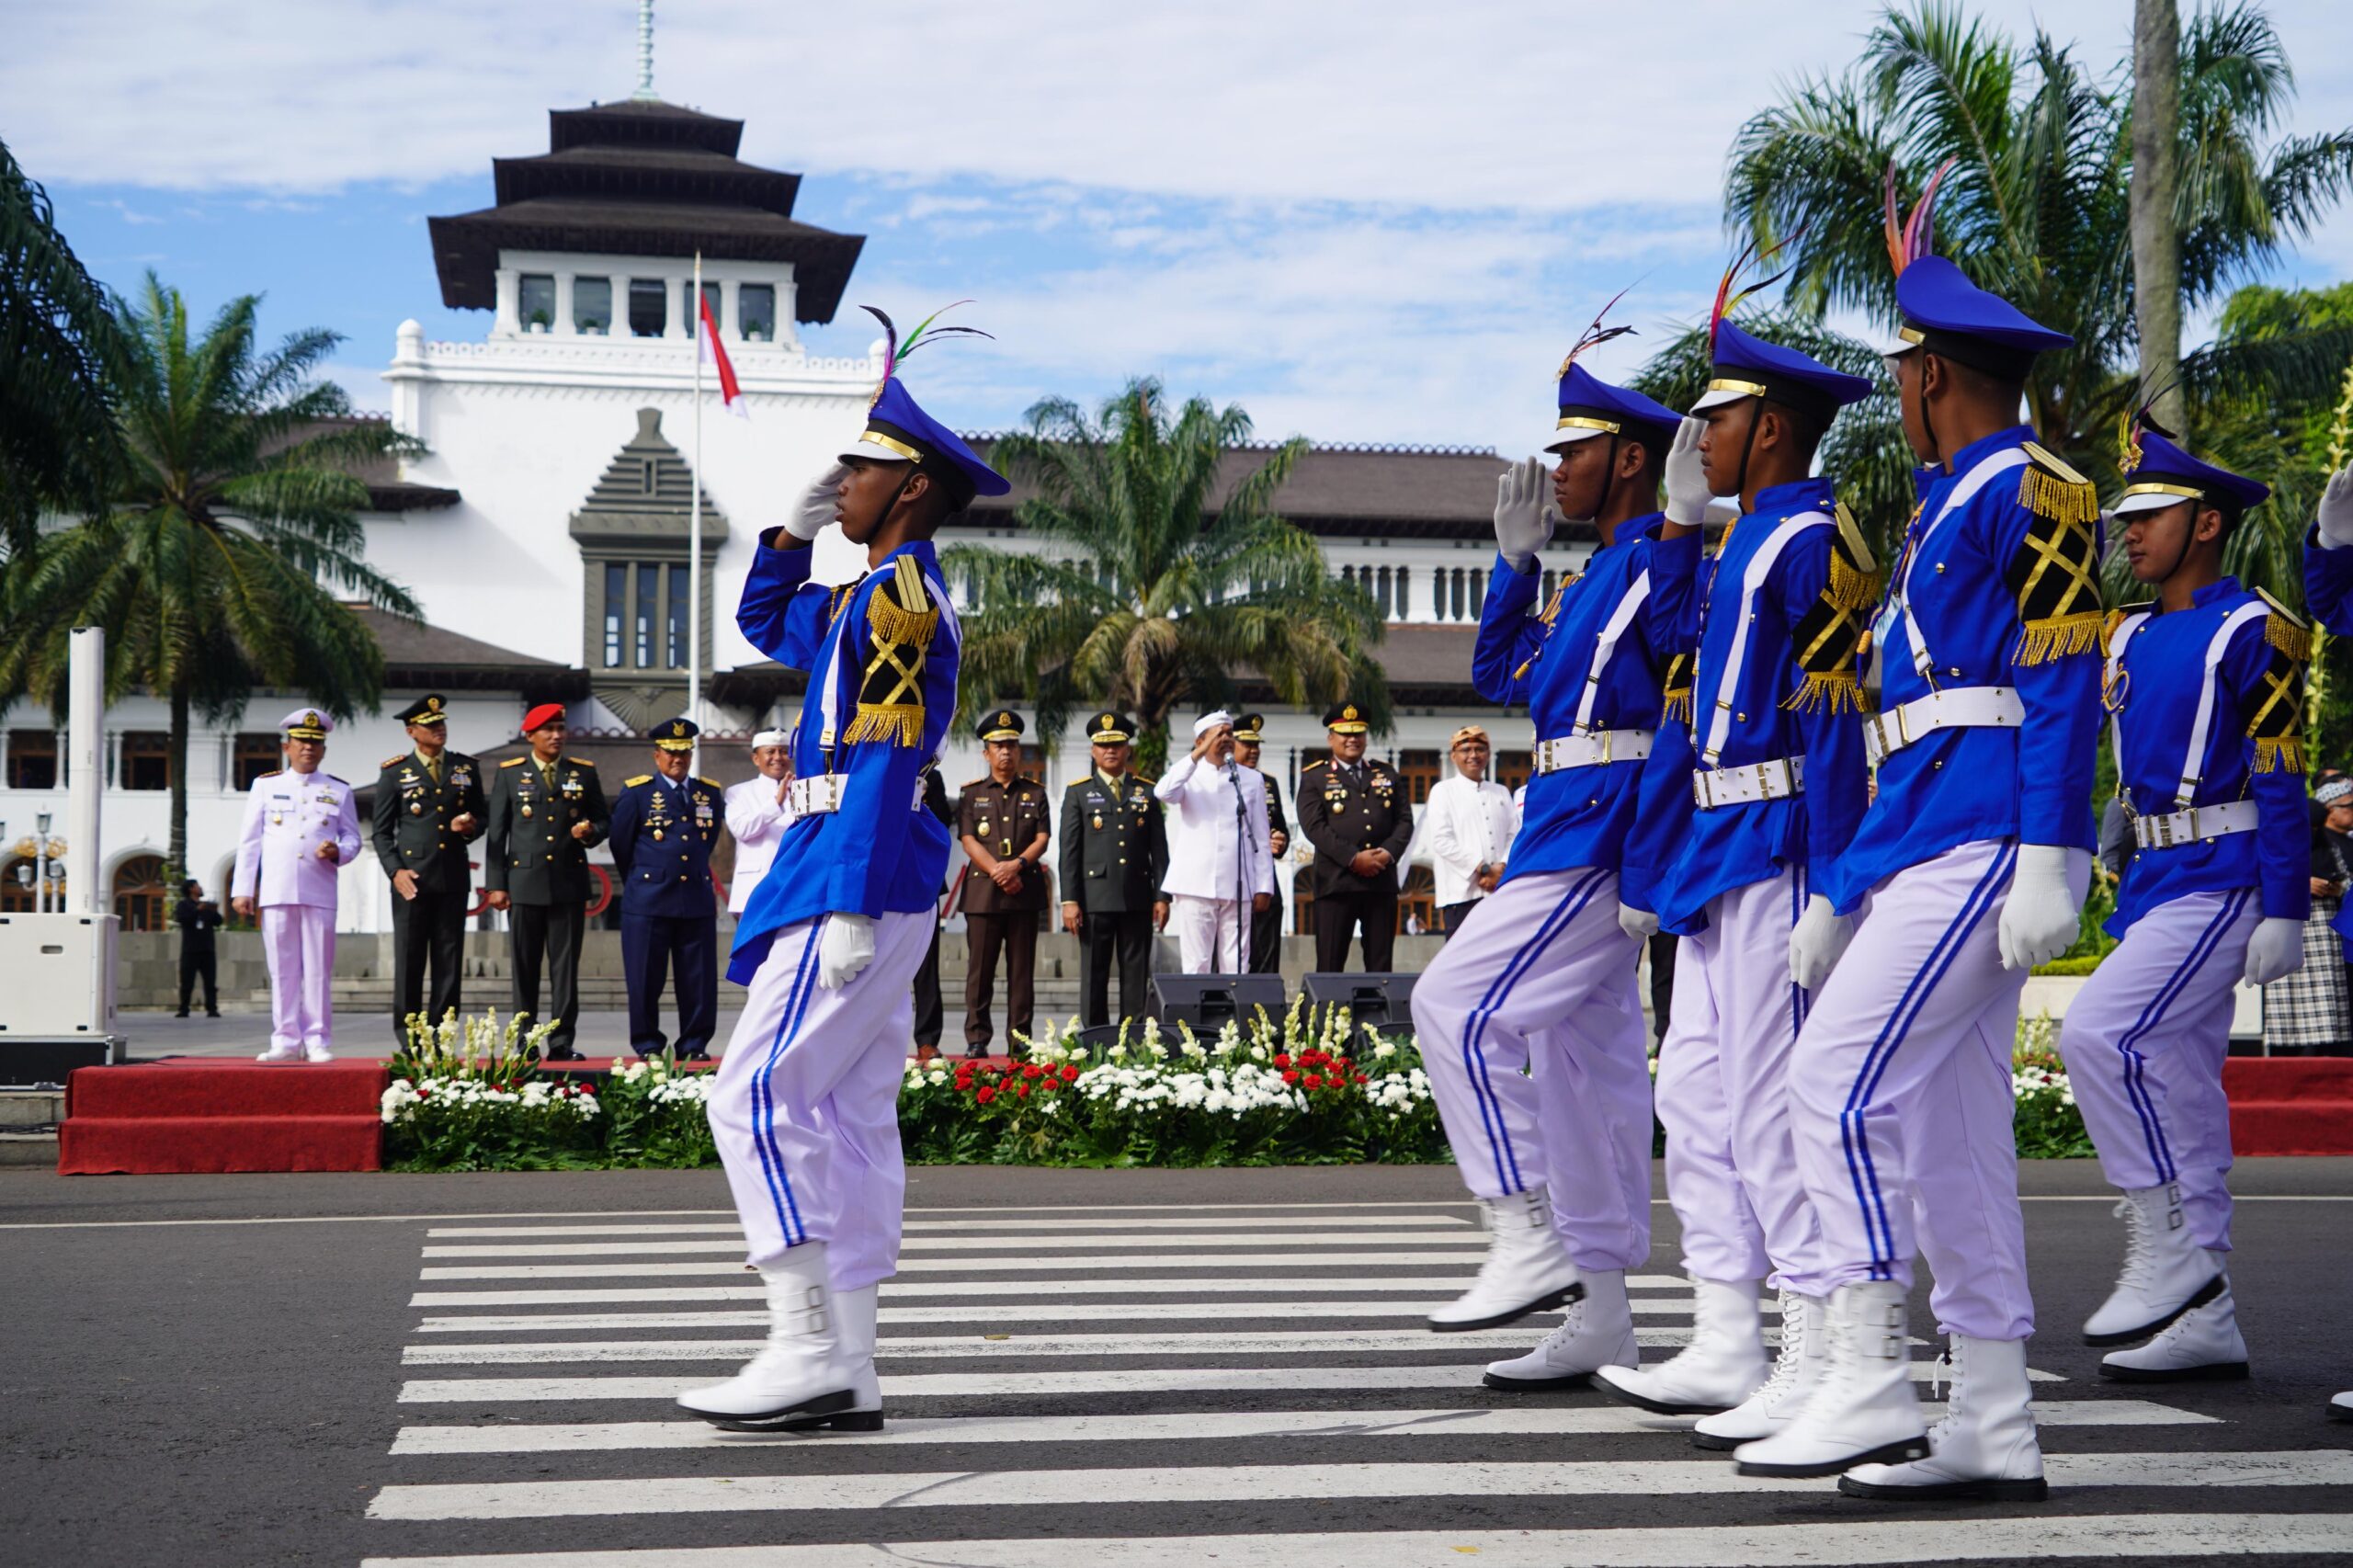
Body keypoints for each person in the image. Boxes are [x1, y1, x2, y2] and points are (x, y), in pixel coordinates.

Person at [1736, 231, 2106, 1497]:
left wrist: (2053, 847)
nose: (1896, 392)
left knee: (1829, 1082)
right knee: (1955, 1144)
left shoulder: (2028, 485)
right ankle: (1994, 1417)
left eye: (1900, 372)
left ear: (1930, 373)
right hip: (1932, 835)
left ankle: (1868, 1375)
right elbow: (1903, 734)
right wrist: (1847, 885)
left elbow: (2060, 680)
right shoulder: (1938, 509)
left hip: (1986, 836)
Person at [684, 326, 1006, 1433]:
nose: (842, 481)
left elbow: (885, 756)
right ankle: (851, 1359)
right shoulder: (861, 595)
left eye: (858, 468)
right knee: (852, 1110)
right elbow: (766, 620)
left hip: (848, 869)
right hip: (857, 865)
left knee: (753, 1095)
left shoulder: (900, 600)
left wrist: (854, 898)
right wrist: (793, 529)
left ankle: (805, 1343)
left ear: (909, 486)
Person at [1595, 283, 1875, 1442]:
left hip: (1782, 846)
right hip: (1719, 853)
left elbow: (1835, 723)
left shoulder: (1811, 541)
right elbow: (1671, 654)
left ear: (1770, 427)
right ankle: (1726, 1333)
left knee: (1772, 1105)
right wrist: (1674, 527)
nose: (1695, 436)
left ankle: (1817, 1350)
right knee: (1695, 1097)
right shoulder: (1735, 541)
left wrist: (1838, 879)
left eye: (1714, 418)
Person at [1405, 326, 1681, 1391]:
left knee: (1452, 1005)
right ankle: (1603, 1315)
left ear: (1628, 458)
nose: (1553, 468)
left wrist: (1646, 861)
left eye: (1574, 451)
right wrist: (1515, 566)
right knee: (1585, 1081)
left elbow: (1683, 707)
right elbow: (1500, 674)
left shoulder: (1658, 561)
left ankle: (1523, 1226)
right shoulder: (1592, 575)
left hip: (1600, 831)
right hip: (1562, 821)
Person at [2054, 417, 2306, 1384]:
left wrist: (2284, 903)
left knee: (2099, 1034)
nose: (2131, 530)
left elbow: (2279, 771)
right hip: (2155, 881)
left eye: (2150, 515)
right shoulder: (2124, 630)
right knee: (2183, 1083)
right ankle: (2209, 1317)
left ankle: (2167, 1244)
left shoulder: (2252, 628)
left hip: (2223, 873)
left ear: (2205, 523)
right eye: (2127, 515)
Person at [230, 708, 361, 1062]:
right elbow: (250, 841)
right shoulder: (266, 785)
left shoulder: (338, 790)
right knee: (283, 969)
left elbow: (353, 838)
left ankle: (317, 1039)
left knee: (318, 970)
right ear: (286, 747)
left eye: (315, 743)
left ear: (324, 750)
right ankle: (285, 1038)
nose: (308, 748)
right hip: (277, 889)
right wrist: (243, 889)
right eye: (301, 741)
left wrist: (338, 851)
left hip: (319, 889)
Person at [483, 704, 608, 1062]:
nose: (556, 736)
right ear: (530, 736)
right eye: (548, 730)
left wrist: (590, 832)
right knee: (524, 967)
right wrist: (496, 884)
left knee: (565, 969)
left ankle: (561, 1041)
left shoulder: (582, 772)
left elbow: (603, 821)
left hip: (568, 882)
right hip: (524, 883)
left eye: (560, 728)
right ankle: (525, 1039)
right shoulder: (511, 773)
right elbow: (498, 834)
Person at [370, 693, 487, 1044]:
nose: (439, 728)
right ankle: (410, 1037)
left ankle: (442, 1035)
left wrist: (470, 827)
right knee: (409, 960)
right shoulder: (395, 772)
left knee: (448, 961)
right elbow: (381, 832)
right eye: (430, 724)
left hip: (452, 876)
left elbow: (482, 817)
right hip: (412, 880)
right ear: (411, 731)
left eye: (441, 722)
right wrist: (396, 871)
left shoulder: (465, 768)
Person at [608, 717, 725, 1061]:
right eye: (671, 753)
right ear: (657, 755)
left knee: (698, 980)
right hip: (648, 901)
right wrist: (645, 878)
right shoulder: (638, 793)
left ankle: (694, 1043)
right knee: (645, 978)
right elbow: (621, 845)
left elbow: (707, 842)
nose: (678, 759)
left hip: (696, 899)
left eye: (684, 753)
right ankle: (648, 1044)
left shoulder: (708, 793)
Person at [1058, 711, 1169, 1028]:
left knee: (1136, 972)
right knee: (1094, 972)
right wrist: (1069, 900)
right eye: (1104, 745)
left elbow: (1159, 849)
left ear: (1127, 749)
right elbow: (1069, 850)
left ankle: (1131, 1036)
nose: (1111, 751)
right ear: (1093, 750)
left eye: (1117, 745)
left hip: (1137, 895)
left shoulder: (1146, 791)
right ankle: (1095, 1035)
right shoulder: (1079, 792)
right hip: (1094, 897)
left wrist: (1162, 896)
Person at [957, 710, 1051, 1056]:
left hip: (1024, 892)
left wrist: (1017, 866)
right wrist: (999, 870)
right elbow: (968, 839)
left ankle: (1020, 1039)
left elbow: (1042, 838)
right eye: (999, 746)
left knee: (1022, 973)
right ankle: (977, 1038)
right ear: (987, 753)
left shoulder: (1035, 793)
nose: (1006, 752)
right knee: (979, 971)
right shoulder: (972, 793)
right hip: (984, 894)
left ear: (1019, 750)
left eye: (1011, 745)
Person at [1154, 710, 1276, 973]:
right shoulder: (1188, 774)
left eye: (1229, 733)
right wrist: (1197, 754)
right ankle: (1196, 1005)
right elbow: (1163, 792)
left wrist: (1264, 885)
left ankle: (1235, 1004)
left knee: (1237, 963)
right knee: (1197, 963)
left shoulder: (1251, 779)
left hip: (1238, 882)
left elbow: (1260, 836)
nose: (1226, 738)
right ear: (1200, 741)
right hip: (1196, 884)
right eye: (1218, 734)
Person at [1295, 702, 1413, 971]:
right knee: (1330, 964)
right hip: (1337, 883)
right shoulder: (1316, 777)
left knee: (1380, 965)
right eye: (1345, 733)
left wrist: (1387, 853)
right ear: (1331, 738)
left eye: (1358, 733)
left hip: (1380, 881)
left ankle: (1376, 1002)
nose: (1352, 739)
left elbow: (1404, 821)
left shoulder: (1386, 773)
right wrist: (1353, 858)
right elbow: (1314, 827)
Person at [2267, 777, 2353, 1053]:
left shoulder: (2329, 845)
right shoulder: (2278, 846)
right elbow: (2263, 880)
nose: (2313, 833)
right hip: (2290, 927)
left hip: (2324, 934)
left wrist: (2336, 887)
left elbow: (2346, 879)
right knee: (2292, 999)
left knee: (2328, 999)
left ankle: (2327, 1055)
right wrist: (2303, 884)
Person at [1422, 724, 1517, 936]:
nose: (1473, 755)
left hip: (1499, 892)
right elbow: (1442, 841)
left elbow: (1514, 836)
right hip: (1461, 896)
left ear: (1488, 754)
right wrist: (1484, 869)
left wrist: (1501, 868)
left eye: (1479, 749)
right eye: (1466, 750)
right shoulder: (1443, 791)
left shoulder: (1501, 792)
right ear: (1453, 756)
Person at [1232, 714, 1290, 973]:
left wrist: (1280, 841)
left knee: (1266, 951)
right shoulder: (1220, 779)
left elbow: (1279, 825)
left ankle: (1265, 995)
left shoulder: (1268, 783)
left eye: (1256, 745)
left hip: (1263, 874)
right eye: (1247, 744)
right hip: (1231, 873)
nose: (1254, 750)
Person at [724, 729, 794, 916]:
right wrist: (776, 803)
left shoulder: (802, 789)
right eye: (770, 752)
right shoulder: (739, 792)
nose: (778, 757)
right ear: (756, 758)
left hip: (792, 883)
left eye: (783, 751)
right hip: (754, 884)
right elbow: (742, 830)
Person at [912, 769, 953, 1062]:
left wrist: (922, 797)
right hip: (880, 879)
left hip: (922, 880)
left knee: (926, 968)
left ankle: (927, 1039)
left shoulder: (930, 776)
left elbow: (944, 822)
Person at [172, 878, 223, 1017]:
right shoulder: (184, 905)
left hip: (207, 949)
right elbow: (182, 919)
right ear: (191, 889)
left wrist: (214, 911)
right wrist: (196, 910)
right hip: (190, 950)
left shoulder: (206, 907)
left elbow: (218, 922)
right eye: (197, 886)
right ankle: (184, 1009)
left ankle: (212, 1008)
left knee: (210, 982)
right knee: (187, 982)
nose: (200, 888)